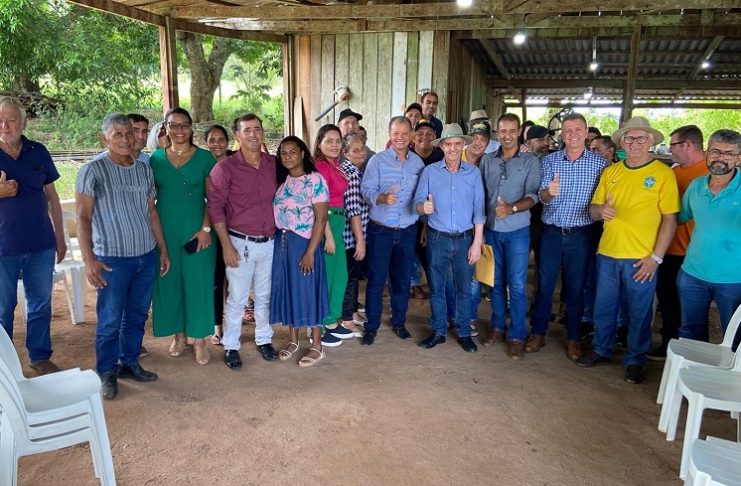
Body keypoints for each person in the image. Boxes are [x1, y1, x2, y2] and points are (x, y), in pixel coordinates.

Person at [76, 113, 170, 400]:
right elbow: (82, 217)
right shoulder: (93, 170)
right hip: (112, 260)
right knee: (110, 319)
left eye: (129, 133)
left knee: (137, 315)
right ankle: (106, 371)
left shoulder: (143, 170)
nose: (126, 139)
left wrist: (162, 249)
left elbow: (151, 212)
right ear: (104, 138)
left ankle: (129, 362)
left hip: (145, 256)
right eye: (117, 134)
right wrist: (89, 260)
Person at [578, 116, 679, 384]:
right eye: (630, 138)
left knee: (639, 311)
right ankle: (601, 349)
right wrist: (601, 210)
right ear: (622, 142)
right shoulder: (611, 172)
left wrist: (656, 257)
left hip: (641, 257)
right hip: (608, 253)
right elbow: (593, 209)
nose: (635, 143)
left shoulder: (663, 174)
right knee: (604, 306)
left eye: (641, 138)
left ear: (651, 141)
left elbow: (670, 219)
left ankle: (635, 359)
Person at [526, 113, 609, 361]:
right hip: (551, 232)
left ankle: (573, 337)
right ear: (562, 134)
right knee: (544, 285)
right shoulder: (550, 161)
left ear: (585, 133)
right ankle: (538, 332)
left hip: (581, 235)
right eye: (568, 130)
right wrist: (549, 193)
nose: (572, 135)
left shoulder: (600, 165)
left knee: (576, 288)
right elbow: (541, 197)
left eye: (577, 130)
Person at [0, 96, 66, 376]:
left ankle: (39, 356)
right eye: (0, 121)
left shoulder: (38, 151)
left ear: (23, 123)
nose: (5, 126)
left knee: (40, 303)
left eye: (11, 120)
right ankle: (4, 366)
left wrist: (60, 237)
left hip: (41, 243)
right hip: (3, 247)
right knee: (3, 308)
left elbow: (53, 197)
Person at [208, 114, 278, 370]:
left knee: (264, 295)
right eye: (247, 130)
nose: (253, 134)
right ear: (237, 136)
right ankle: (231, 345)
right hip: (240, 242)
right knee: (237, 298)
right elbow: (215, 208)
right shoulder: (225, 168)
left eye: (257, 129)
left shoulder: (273, 164)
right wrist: (226, 245)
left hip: (269, 241)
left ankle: (264, 339)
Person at [149, 108, 216, 365]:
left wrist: (206, 229)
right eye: (173, 125)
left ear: (191, 127)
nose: (179, 130)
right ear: (165, 128)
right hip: (166, 232)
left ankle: (199, 341)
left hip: (197, 233)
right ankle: (179, 336)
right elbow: (150, 199)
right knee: (170, 281)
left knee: (198, 284)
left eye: (184, 125)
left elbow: (214, 199)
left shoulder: (205, 158)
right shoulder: (155, 159)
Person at [415, 124, 485, 352]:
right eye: (448, 144)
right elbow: (417, 203)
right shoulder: (430, 172)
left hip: (465, 239)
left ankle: (464, 332)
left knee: (464, 288)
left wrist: (477, 242)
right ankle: (438, 331)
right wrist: (423, 208)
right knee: (436, 287)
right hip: (438, 238)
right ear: (442, 146)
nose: (453, 148)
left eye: (457, 144)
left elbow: (479, 210)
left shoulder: (473, 173)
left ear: (463, 145)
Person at [479, 113, 541, 359]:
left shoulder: (530, 161)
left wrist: (512, 208)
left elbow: (533, 196)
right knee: (494, 282)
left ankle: (516, 335)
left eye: (512, 131)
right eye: (503, 131)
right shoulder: (487, 161)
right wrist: (479, 231)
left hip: (517, 232)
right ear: (497, 132)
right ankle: (497, 327)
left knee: (516, 285)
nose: (507, 136)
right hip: (491, 231)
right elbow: (481, 195)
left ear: (519, 132)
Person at [360, 116, 425, 346]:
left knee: (401, 280)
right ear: (389, 134)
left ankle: (399, 322)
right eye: (396, 133)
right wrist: (381, 197)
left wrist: (425, 222)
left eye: (405, 134)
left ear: (411, 136)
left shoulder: (418, 164)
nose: (400, 138)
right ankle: (371, 326)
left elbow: (421, 195)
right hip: (381, 231)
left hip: (408, 230)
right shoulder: (377, 161)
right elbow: (366, 190)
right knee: (376, 280)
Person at [676, 129, 741, 350]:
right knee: (690, 333)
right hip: (692, 274)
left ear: (738, 158)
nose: (720, 157)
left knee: (735, 338)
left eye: (728, 153)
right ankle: (692, 370)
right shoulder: (696, 186)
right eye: (715, 151)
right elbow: (679, 218)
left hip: (734, 278)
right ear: (706, 154)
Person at [649, 125, 708, 359]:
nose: (670, 150)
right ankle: (669, 345)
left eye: (673, 145)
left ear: (688, 145)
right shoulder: (673, 172)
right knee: (668, 301)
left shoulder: (709, 174)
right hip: (668, 248)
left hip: (693, 252)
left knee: (692, 308)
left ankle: (694, 354)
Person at [270, 136, 330, 366]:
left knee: (308, 291)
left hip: (305, 244)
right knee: (289, 290)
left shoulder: (315, 180)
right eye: (283, 153)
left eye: (292, 152)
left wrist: (310, 252)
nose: (287, 156)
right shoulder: (282, 182)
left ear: (303, 153)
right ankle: (293, 340)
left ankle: (317, 346)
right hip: (283, 243)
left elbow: (321, 219)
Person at [313, 124, 357, 346]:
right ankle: (320, 326)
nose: (334, 145)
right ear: (319, 143)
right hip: (326, 222)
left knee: (340, 275)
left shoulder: (336, 165)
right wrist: (328, 235)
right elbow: (318, 204)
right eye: (329, 140)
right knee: (327, 276)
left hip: (338, 220)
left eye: (338, 141)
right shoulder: (320, 166)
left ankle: (330, 320)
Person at [205, 124, 233, 346]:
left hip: (235, 226)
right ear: (206, 143)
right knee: (216, 278)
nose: (217, 144)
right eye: (212, 140)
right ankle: (217, 326)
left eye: (220, 139)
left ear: (227, 141)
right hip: (210, 228)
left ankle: (232, 323)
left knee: (234, 278)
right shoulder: (202, 164)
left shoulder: (236, 163)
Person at [340, 133, 370, 332]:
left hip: (356, 237)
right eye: (355, 150)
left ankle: (352, 312)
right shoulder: (350, 174)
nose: (360, 153)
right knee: (350, 278)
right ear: (346, 153)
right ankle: (346, 319)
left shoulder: (357, 171)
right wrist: (360, 240)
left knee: (354, 276)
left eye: (362, 149)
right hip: (351, 239)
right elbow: (353, 210)